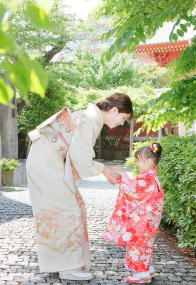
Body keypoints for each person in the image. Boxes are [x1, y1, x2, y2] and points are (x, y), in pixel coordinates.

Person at [26, 93, 133, 281]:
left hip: (45, 159)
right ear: (114, 110)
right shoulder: (91, 118)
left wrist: (104, 170)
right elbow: (80, 158)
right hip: (46, 161)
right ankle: (68, 267)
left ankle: (60, 263)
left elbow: (78, 155)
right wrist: (104, 170)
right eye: (123, 118)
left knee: (65, 209)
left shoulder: (91, 117)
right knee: (67, 210)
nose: (121, 123)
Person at [104, 143, 164, 283]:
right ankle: (146, 268)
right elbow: (134, 187)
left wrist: (123, 175)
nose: (136, 163)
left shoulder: (148, 178)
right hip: (148, 221)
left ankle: (140, 272)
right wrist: (121, 179)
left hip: (143, 222)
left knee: (138, 244)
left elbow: (133, 190)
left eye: (138, 160)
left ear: (148, 161)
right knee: (146, 244)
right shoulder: (149, 177)